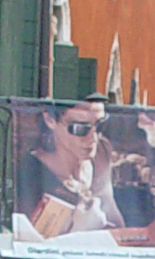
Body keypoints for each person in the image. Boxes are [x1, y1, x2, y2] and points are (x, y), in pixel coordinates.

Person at [15, 100, 122, 238]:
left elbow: (117, 222)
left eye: (101, 126)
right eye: (80, 129)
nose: (93, 138)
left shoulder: (101, 152)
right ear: (50, 120)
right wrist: (78, 229)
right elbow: (34, 248)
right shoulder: (32, 174)